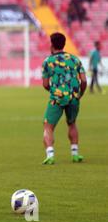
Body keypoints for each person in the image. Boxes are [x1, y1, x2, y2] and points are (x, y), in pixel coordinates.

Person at [41, 32, 87, 165]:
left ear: (52, 44)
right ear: (64, 44)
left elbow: (45, 84)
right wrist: (79, 94)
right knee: (72, 123)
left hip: (57, 97)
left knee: (48, 126)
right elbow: (83, 81)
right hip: (74, 97)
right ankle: (75, 154)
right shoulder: (75, 59)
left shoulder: (48, 61)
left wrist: (55, 91)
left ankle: (50, 155)